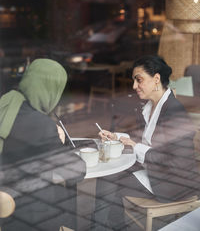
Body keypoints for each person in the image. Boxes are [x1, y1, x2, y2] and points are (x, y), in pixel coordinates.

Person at [91, 55, 200, 231]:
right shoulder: (148, 107)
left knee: (110, 179)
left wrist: (137, 148)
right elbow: (139, 139)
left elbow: (178, 162)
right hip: (154, 172)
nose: (134, 86)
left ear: (156, 79)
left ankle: (102, 227)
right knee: (111, 172)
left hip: (174, 184)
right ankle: (109, 227)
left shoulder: (174, 111)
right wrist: (117, 137)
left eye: (139, 80)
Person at [0, 58, 86, 231]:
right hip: (26, 215)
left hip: (5, 202)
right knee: (66, 197)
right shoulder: (40, 124)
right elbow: (76, 172)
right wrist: (59, 140)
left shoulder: (6, 103)